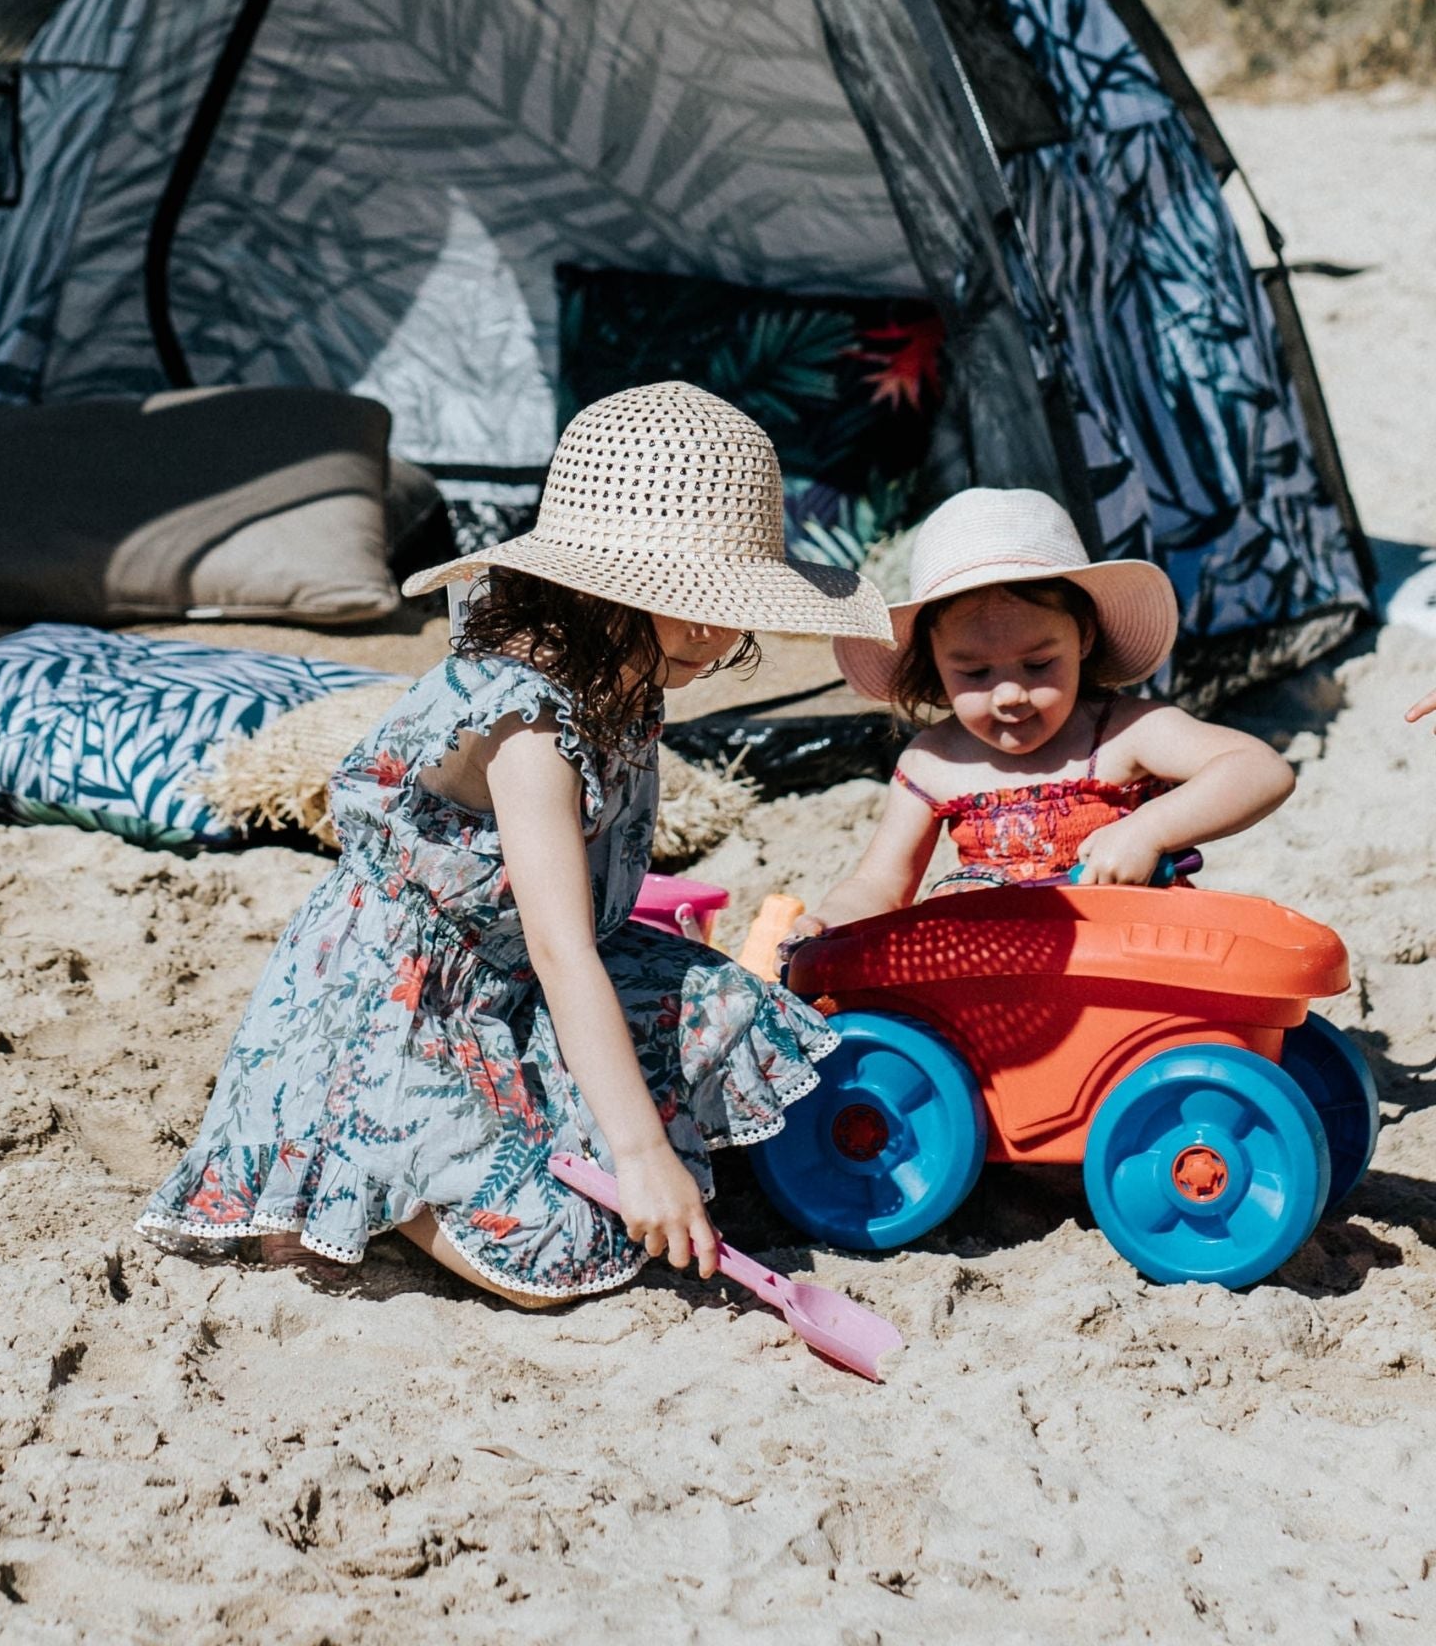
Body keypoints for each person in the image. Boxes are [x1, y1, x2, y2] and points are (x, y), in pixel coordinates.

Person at [138, 381, 892, 1308]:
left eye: (728, 601)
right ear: (589, 589)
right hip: (403, 1005)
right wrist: (643, 1151)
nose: (713, 630)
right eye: (683, 598)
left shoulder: (627, 673)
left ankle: (492, 1138)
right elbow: (558, 945)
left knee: (738, 1014)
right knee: (556, 1256)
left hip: (514, 980)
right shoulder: (527, 724)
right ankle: (365, 1172)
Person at [795, 487, 1296, 940]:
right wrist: (829, 921)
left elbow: (1260, 769)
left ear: (1083, 637)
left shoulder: (1124, 733)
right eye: (974, 673)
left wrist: (1148, 831)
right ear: (933, 662)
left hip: (1135, 961)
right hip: (1000, 980)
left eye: (1038, 664)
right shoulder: (933, 762)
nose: (1010, 694)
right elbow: (881, 885)